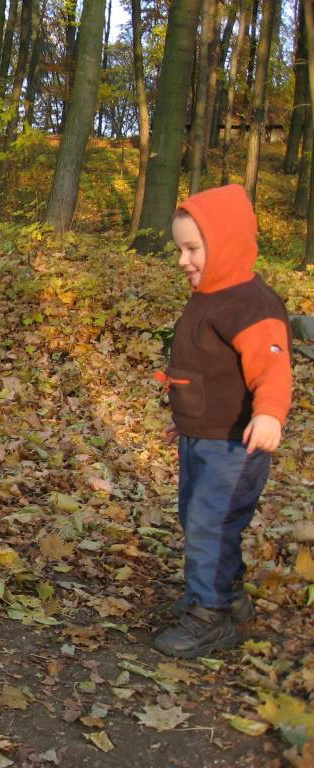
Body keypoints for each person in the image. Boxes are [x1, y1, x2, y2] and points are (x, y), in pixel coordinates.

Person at [154, 183, 292, 658]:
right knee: (199, 518)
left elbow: (272, 368)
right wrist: (187, 419)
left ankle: (209, 616)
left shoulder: (251, 304)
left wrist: (270, 414)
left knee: (210, 522)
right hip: (203, 437)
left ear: (227, 242)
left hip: (235, 445)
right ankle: (227, 594)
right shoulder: (207, 296)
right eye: (180, 250)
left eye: (193, 249)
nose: (183, 260)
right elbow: (206, 372)